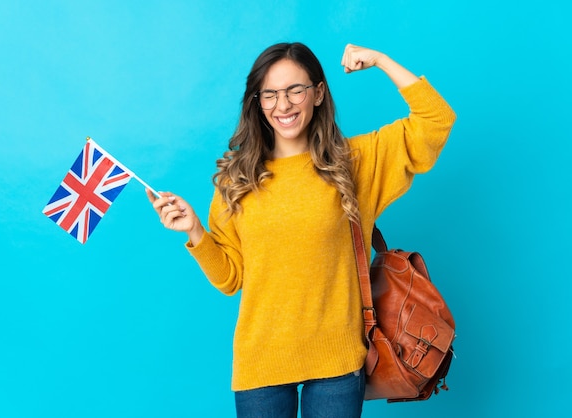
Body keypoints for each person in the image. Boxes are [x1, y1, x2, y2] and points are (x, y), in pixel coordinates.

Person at [147, 42, 456, 418]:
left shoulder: (355, 163)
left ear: (318, 93)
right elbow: (230, 278)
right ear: (257, 102)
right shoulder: (235, 180)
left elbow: (435, 120)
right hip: (261, 359)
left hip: (337, 360)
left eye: (295, 90)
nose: (283, 105)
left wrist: (381, 60)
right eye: (270, 94)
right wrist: (194, 230)